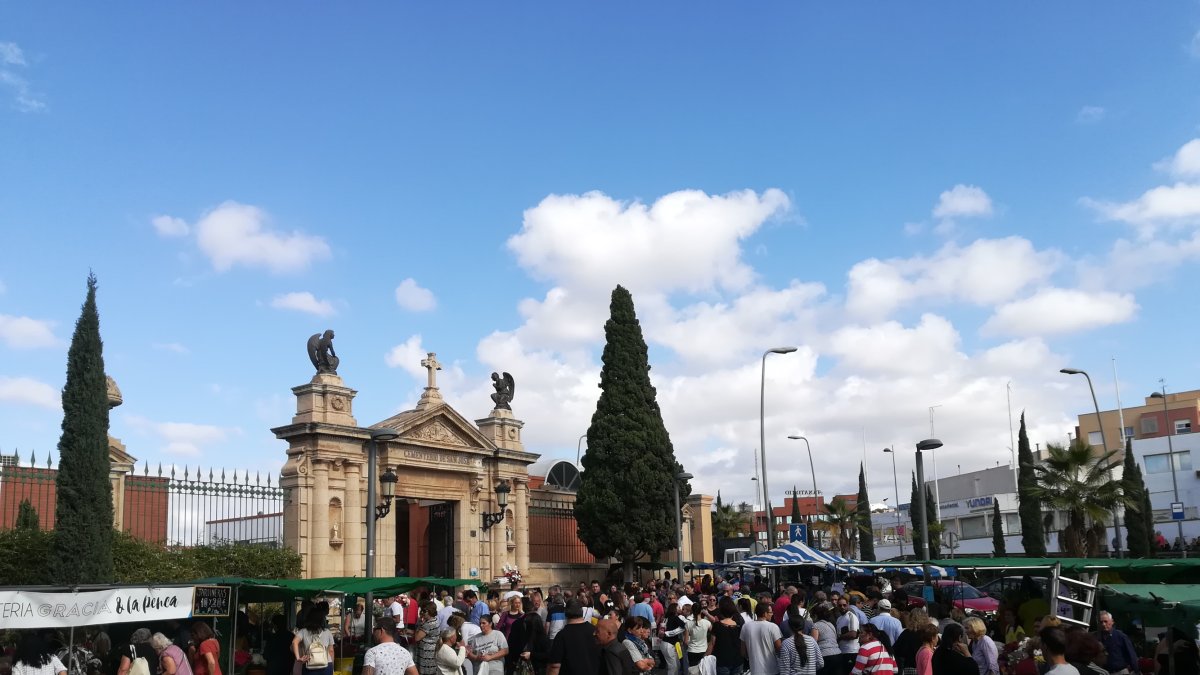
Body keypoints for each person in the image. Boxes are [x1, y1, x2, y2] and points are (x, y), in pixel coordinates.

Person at [547, 601, 599, 675]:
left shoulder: (562, 635)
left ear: (565, 612)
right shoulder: (595, 631)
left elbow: (555, 666)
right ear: (582, 612)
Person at [741, 600, 782, 675]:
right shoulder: (773, 627)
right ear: (765, 614)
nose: (772, 614)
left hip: (754, 670)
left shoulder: (745, 627)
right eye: (770, 612)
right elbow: (779, 648)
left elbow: (743, 652)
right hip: (772, 669)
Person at [293, 606, 334, 675]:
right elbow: (331, 651)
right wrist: (332, 666)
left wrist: (298, 658)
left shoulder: (303, 631)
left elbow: (294, 642)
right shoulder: (327, 632)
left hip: (309, 665)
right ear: (322, 619)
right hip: (326, 665)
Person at [685, 599, 714, 675]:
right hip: (704, 650)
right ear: (701, 611)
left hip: (692, 651)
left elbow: (686, 641)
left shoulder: (688, 624)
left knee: (693, 671)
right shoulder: (707, 623)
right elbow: (714, 633)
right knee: (703, 671)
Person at [836, 597, 861, 675]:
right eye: (840, 605)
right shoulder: (839, 618)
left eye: (844, 605)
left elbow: (853, 634)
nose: (842, 607)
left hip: (851, 652)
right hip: (843, 651)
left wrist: (839, 637)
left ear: (848, 605)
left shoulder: (851, 616)